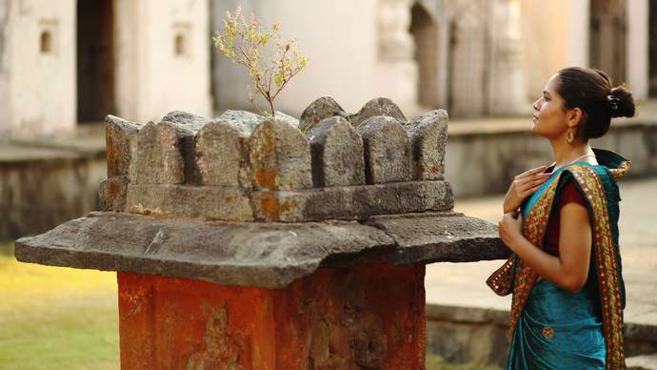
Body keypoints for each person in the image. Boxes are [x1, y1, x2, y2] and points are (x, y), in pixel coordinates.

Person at [489, 66, 635, 369]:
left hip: (564, 344)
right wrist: (510, 204)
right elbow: (539, 238)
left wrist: (515, 240)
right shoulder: (555, 175)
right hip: (543, 329)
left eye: (546, 98)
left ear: (573, 117)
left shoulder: (576, 183)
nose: (536, 105)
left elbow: (572, 276)